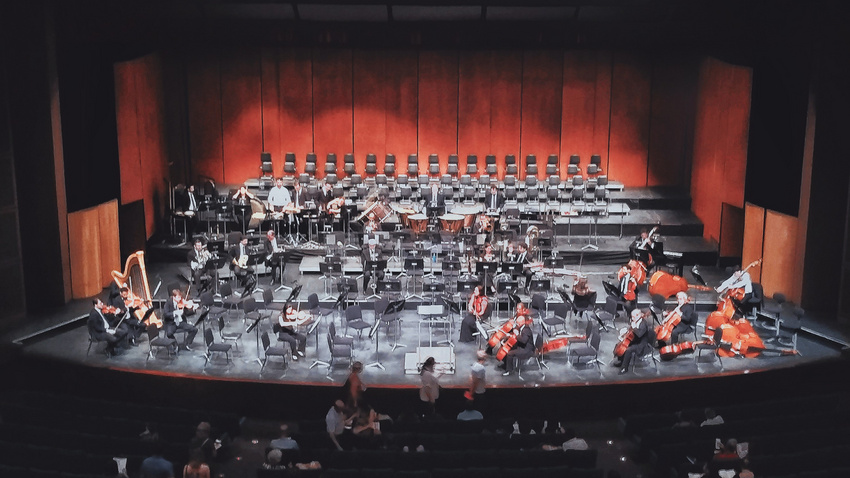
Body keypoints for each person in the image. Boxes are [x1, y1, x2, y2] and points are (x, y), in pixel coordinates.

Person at [615, 308, 653, 374]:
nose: (632, 318)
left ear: (638, 315)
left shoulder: (643, 324)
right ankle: (621, 361)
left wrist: (634, 328)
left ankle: (624, 368)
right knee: (621, 344)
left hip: (641, 344)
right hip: (636, 340)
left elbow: (639, 334)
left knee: (628, 350)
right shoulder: (636, 321)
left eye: (633, 317)